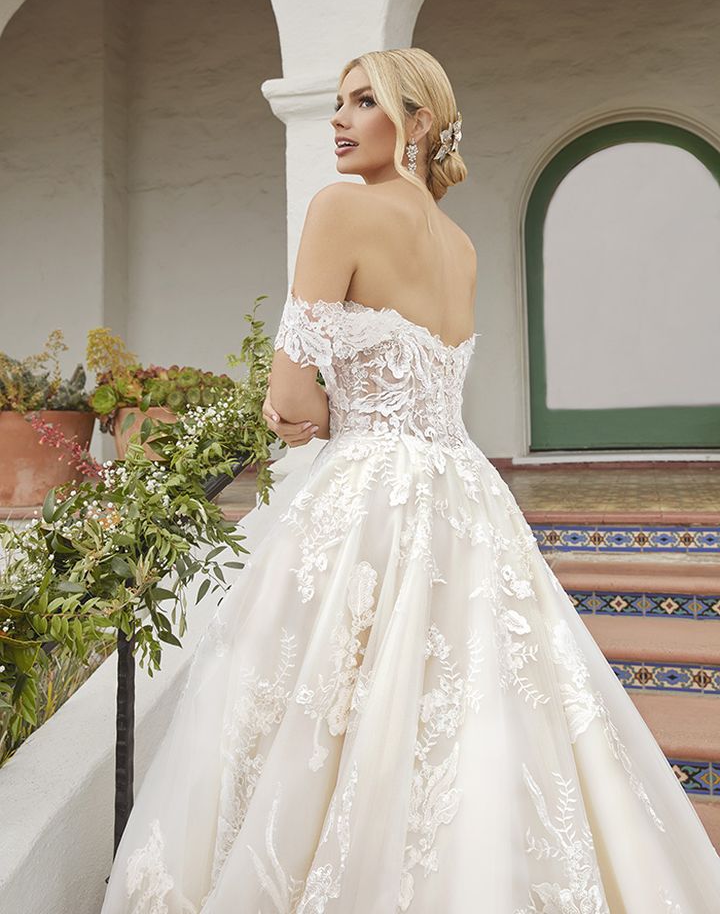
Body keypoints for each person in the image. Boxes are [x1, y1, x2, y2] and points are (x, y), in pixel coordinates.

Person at [101, 48, 720, 913]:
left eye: (365, 102)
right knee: (472, 716)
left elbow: (288, 393)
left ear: (419, 123)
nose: (340, 120)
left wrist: (311, 410)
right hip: (464, 492)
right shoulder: (461, 247)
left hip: (368, 491)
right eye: (339, 104)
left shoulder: (339, 212)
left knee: (326, 714)